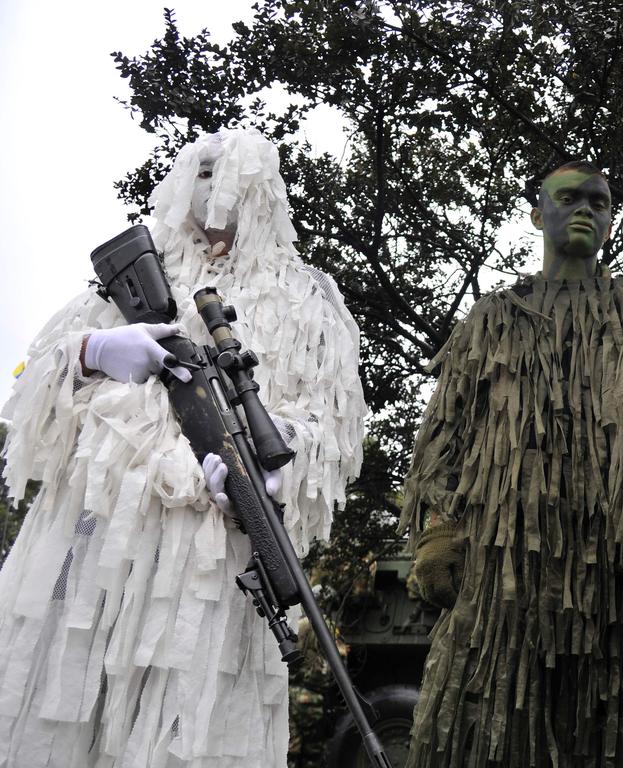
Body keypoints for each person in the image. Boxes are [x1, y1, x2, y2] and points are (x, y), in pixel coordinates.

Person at [0, 128, 366, 767]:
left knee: (187, 731)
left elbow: (330, 426)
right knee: (62, 706)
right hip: (93, 542)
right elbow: (31, 384)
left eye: (234, 178)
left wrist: (283, 470)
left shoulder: (309, 301)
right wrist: (93, 351)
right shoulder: (128, 283)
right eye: (203, 173)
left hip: (212, 552)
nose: (217, 190)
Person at [401, 162, 623, 767]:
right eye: (569, 198)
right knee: (484, 728)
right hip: (501, 574)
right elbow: (446, 434)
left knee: (617, 733)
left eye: (600, 201)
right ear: (538, 214)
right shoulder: (491, 319)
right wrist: (437, 532)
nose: (586, 208)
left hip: (618, 575)